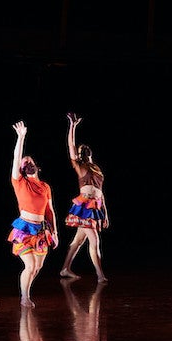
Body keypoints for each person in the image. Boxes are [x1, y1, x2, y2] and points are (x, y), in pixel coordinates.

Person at [7, 121, 59, 308]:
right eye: (24, 162)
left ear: (36, 166)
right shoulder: (20, 182)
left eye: (29, 160)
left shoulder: (45, 187)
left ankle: (25, 290)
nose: (27, 162)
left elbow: (50, 211)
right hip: (25, 229)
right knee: (30, 266)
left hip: (41, 231)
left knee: (37, 267)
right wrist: (21, 137)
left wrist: (54, 233)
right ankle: (25, 297)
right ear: (21, 169)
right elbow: (16, 157)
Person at [59, 112, 109, 282]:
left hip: (95, 208)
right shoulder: (80, 167)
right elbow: (71, 146)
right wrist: (73, 126)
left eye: (85, 148)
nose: (83, 149)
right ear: (80, 155)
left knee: (78, 241)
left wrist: (105, 214)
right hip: (84, 207)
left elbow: (101, 194)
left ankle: (65, 268)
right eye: (81, 150)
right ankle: (100, 275)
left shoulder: (97, 169)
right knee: (94, 241)